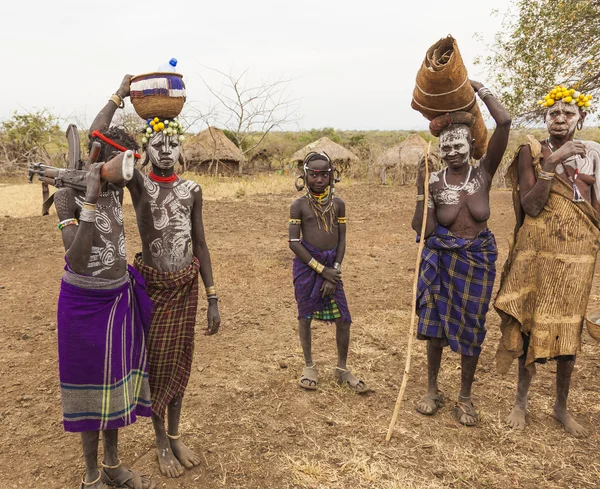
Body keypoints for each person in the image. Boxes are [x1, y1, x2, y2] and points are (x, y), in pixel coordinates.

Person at [90, 74, 221, 478]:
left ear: (182, 148)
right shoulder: (140, 184)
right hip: (154, 288)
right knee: (159, 364)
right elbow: (97, 134)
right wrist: (120, 93)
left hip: (185, 286)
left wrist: (213, 296)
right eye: (158, 143)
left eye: (173, 143)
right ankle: (161, 441)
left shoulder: (192, 189)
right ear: (145, 149)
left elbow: (200, 245)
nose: (166, 150)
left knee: (182, 359)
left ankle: (176, 435)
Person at [494, 86, 600, 437]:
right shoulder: (532, 150)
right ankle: (520, 403)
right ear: (545, 118)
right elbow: (531, 206)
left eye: (568, 113)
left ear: (581, 118)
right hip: (536, 254)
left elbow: (597, 208)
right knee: (529, 324)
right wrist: (552, 162)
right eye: (553, 113)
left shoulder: (594, 154)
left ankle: (560, 407)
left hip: (577, 256)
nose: (560, 118)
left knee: (568, 327)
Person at [54, 128, 155, 487]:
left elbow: (99, 126)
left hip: (118, 297)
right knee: (90, 391)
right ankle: (91, 474)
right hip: (84, 304)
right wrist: (91, 201)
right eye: (119, 162)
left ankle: (112, 465)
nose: (124, 172)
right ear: (99, 158)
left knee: (115, 387)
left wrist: (120, 91)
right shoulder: (68, 196)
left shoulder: (116, 189)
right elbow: (77, 259)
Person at [411, 80, 511, 426]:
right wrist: (421, 191)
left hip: (477, 261)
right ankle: (432, 389)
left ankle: (465, 397)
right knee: (435, 326)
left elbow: (505, 123)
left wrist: (481, 92)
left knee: (472, 326)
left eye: (458, 145)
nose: (452, 151)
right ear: (440, 151)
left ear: (471, 144)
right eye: (446, 147)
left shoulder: (484, 173)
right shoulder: (435, 180)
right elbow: (421, 231)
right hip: (441, 260)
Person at [289, 152, 369, 393]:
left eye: (324, 174)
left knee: (343, 319)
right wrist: (321, 269)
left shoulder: (339, 204)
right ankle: (309, 366)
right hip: (307, 266)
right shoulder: (298, 205)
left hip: (332, 267)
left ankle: (342, 368)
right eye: (313, 174)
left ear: (333, 175)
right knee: (305, 316)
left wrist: (334, 270)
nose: (319, 179)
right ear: (304, 175)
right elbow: (294, 242)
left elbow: (342, 240)